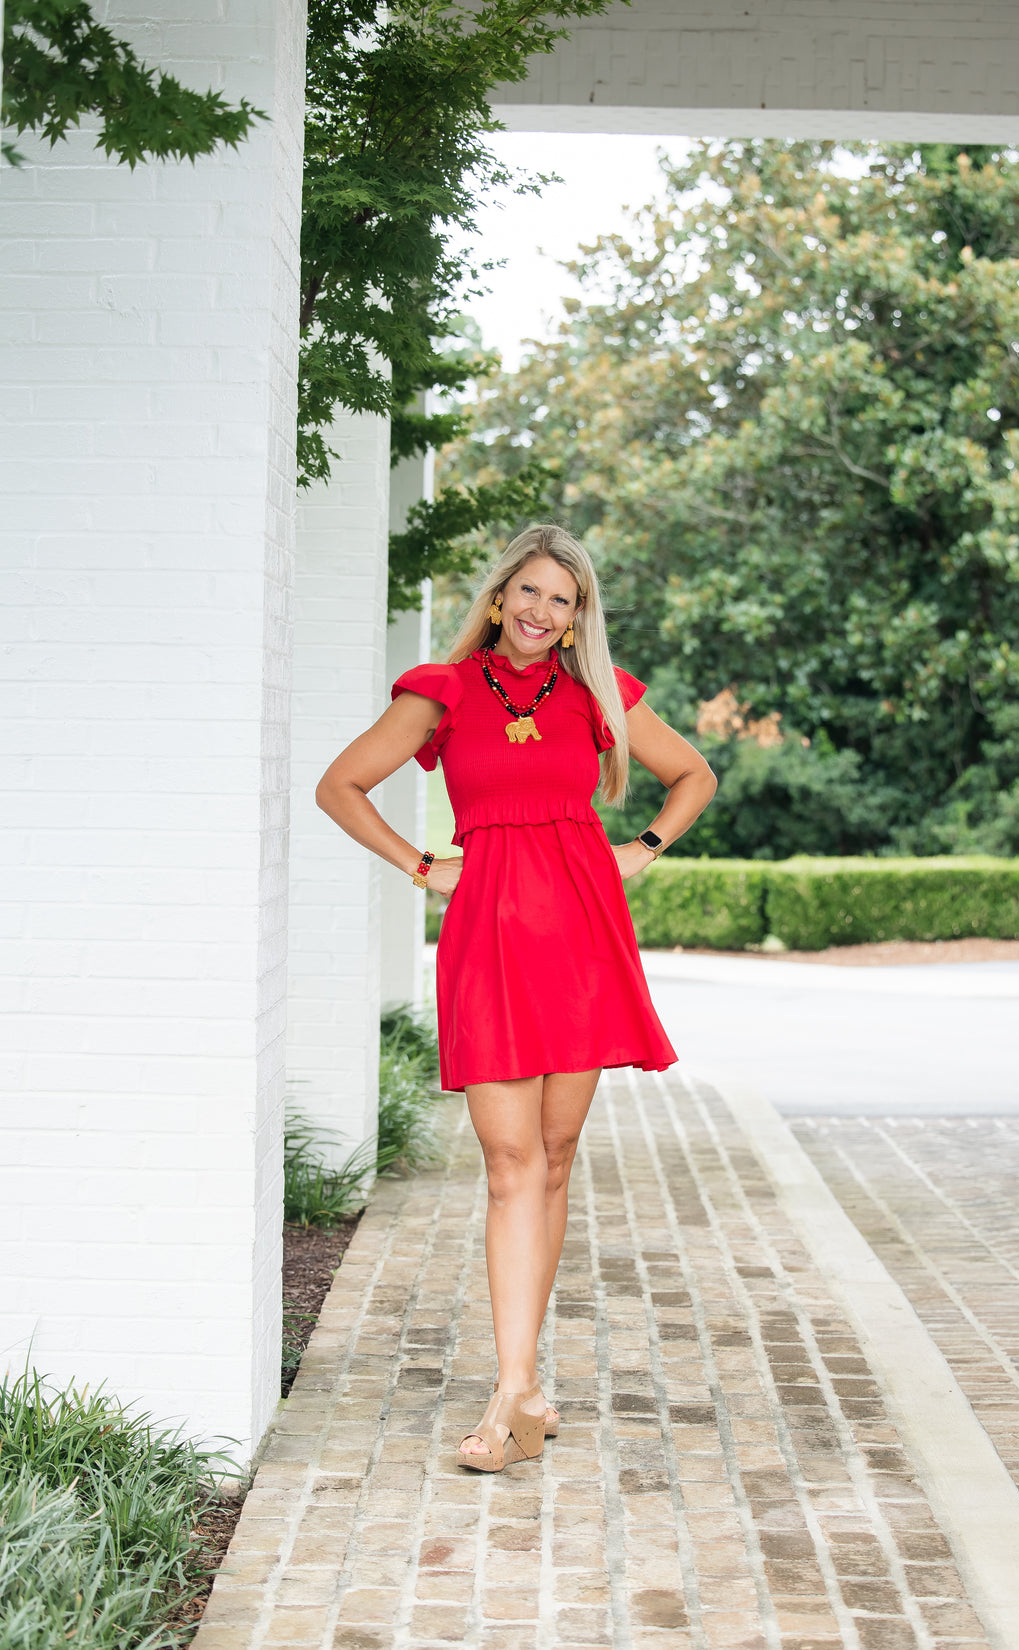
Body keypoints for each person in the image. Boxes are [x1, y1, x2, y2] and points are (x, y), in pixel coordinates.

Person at [316, 523, 715, 1473]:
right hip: (490, 937)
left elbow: (695, 774)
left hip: (582, 933)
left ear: (579, 620)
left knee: (558, 1155)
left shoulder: (599, 696)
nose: (541, 612)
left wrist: (639, 850)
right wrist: (421, 865)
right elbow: (342, 786)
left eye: (562, 600)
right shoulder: (441, 691)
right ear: (499, 599)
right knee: (508, 1162)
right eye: (528, 592)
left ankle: (523, 1381)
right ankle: (515, 1390)